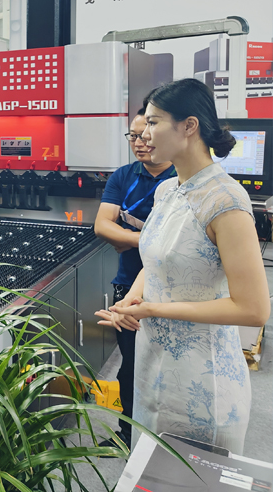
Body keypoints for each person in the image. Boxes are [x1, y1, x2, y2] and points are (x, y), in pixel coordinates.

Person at [96, 78, 270, 454]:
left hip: (203, 378)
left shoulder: (226, 201)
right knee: (148, 464)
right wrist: (134, 298)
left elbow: (253, 309)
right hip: (154, 363)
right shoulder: (168, 190)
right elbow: (154, 260)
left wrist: (153, 309)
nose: (144, 133)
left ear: (189, 126)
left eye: (153, 122)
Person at [92, 106, 175, 449]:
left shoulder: (179, 179)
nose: (140, 142)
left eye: (146, 133)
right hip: (128, 285)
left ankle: (166, 440)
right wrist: (152, 240)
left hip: (172, 289)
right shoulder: (123, 176)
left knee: (167, 368)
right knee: (131, 365)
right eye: (134, 135)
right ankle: (128, 436)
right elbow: (102, 225)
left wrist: (126, 236)